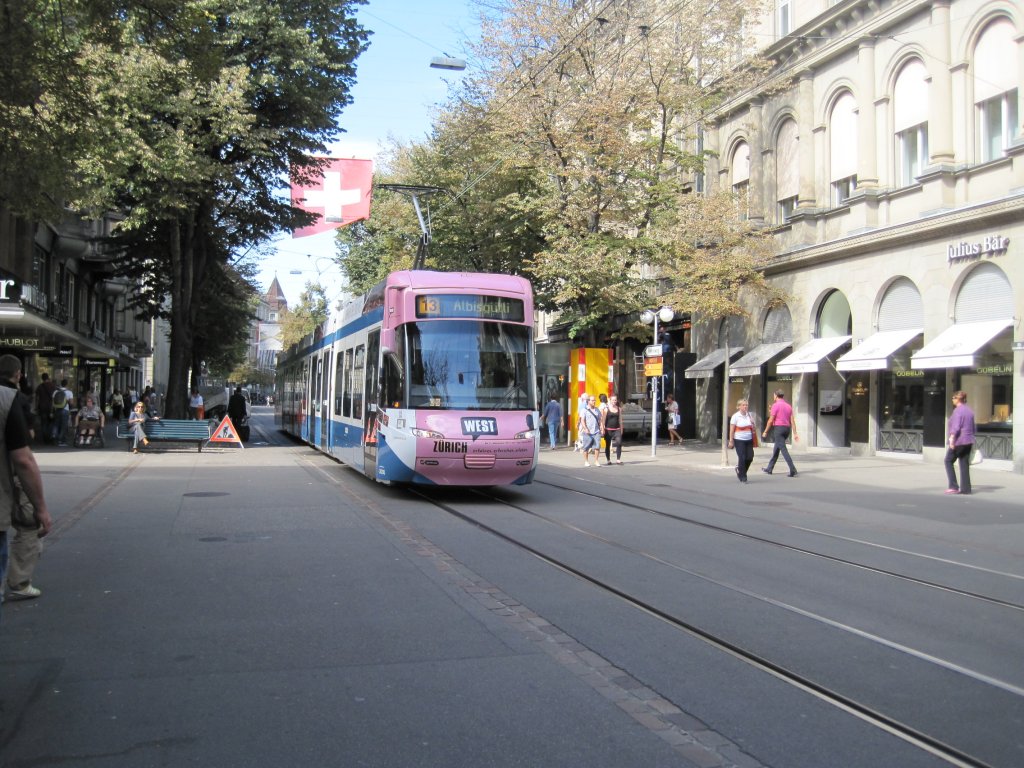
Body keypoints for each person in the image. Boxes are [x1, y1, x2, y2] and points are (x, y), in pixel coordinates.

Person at [1, 355, 53, 610]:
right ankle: (19, 581)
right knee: (29, 523)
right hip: (10, 478)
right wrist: (41, 507)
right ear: (18, 374)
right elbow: (23, 458)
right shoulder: (12, 401)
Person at [944, 390, 975, 495]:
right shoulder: (969, 411)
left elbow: (956, 427)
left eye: (953, 398)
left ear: (958, 399)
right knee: (964, 463)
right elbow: (973, 427)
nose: (952, 400)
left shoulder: (958, 411)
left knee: (948, 460)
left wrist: (952, 439)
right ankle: (966, 489)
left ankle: (953, 486)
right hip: (969, 440)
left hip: (959, 441)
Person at [762, 389, 798, 477]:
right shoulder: (788, 406)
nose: (773, 397)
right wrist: (795, 433)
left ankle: (792, 469)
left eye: (773, 395)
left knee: (783, 450)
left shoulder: (775, 405)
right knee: (777, 448)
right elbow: (792, 421)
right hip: (787, 429)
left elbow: (771, 420)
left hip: (779, 429)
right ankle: (769, 468)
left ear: (776, 395)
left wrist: (765, 431)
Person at [728, 398, 758, 482]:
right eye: (743, 405)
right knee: (742, 457)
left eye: (746, 405)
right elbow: (732, 430)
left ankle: (740, 470)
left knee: (750, 457)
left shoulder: (749, 415)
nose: (745, 406)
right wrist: (731, 440)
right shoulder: (735, 416)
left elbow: (754, 428)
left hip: (749, 439)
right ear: (739, 406)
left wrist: (753, 423)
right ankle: (743, 476)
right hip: (739, 439)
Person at [577, 395, 603, 467]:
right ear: (588, 401)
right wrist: (585, 428)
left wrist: (601, 427)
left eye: (594, 400)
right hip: (587, 431)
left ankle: (596, 461)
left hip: (596, 431)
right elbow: (582, 420)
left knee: (597, 446)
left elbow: (600, 419)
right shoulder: (584, 410)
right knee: (586, 447)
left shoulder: (597, 410)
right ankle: (586, 461)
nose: (594, 402)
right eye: (592, 400)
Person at [601, 394, 624, 465]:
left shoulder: (619, 409)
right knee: (608, 445)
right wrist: (602, 428)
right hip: (608, 429)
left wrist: (621, 429)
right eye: (613, 400)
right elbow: (603, 420)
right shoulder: (606, 409)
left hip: (617, 429)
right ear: (610, 400)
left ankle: (618, 459)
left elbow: (620, 420)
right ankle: (608, 460)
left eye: (615, 400)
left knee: (619, 443)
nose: (614, 401)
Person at [51, 378, 74, 447]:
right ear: (67, 384)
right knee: (63, 426)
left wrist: (52, 411)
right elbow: (71, 403)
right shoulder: (69, 392)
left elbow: (52, 402)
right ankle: (60, 441)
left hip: (57, 409)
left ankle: (54, 435)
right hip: (65, 410)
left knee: (56, 424)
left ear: (61, 384)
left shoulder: (55, 392)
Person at [34, 373, 56, 445]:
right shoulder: (53, 386)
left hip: (42, 407)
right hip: (51, 408)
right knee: (51, 423)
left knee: (44, 423)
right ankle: (50, 437)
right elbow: (55, 397)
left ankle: (45, 439)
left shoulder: (39, 387)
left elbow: (37, 399)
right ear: (48, 378)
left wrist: (36, 407)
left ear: (42, 378)